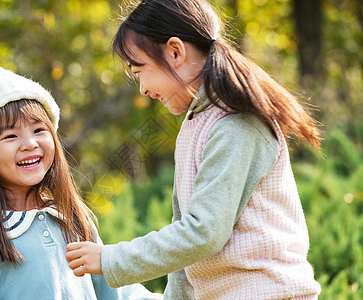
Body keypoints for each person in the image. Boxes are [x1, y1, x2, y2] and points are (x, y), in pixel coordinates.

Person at [65, 0, 322, 299]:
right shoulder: (196, 122)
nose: (143, 89)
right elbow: (187, 243)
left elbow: (203, 233)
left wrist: (110, 259)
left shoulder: (235, 123)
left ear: (175, 52)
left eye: (140, 71)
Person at [0, 63, 162, 300]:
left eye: (38, 130)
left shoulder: (71, 216)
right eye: (10, 136)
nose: (29, 144)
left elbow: (114, 293)